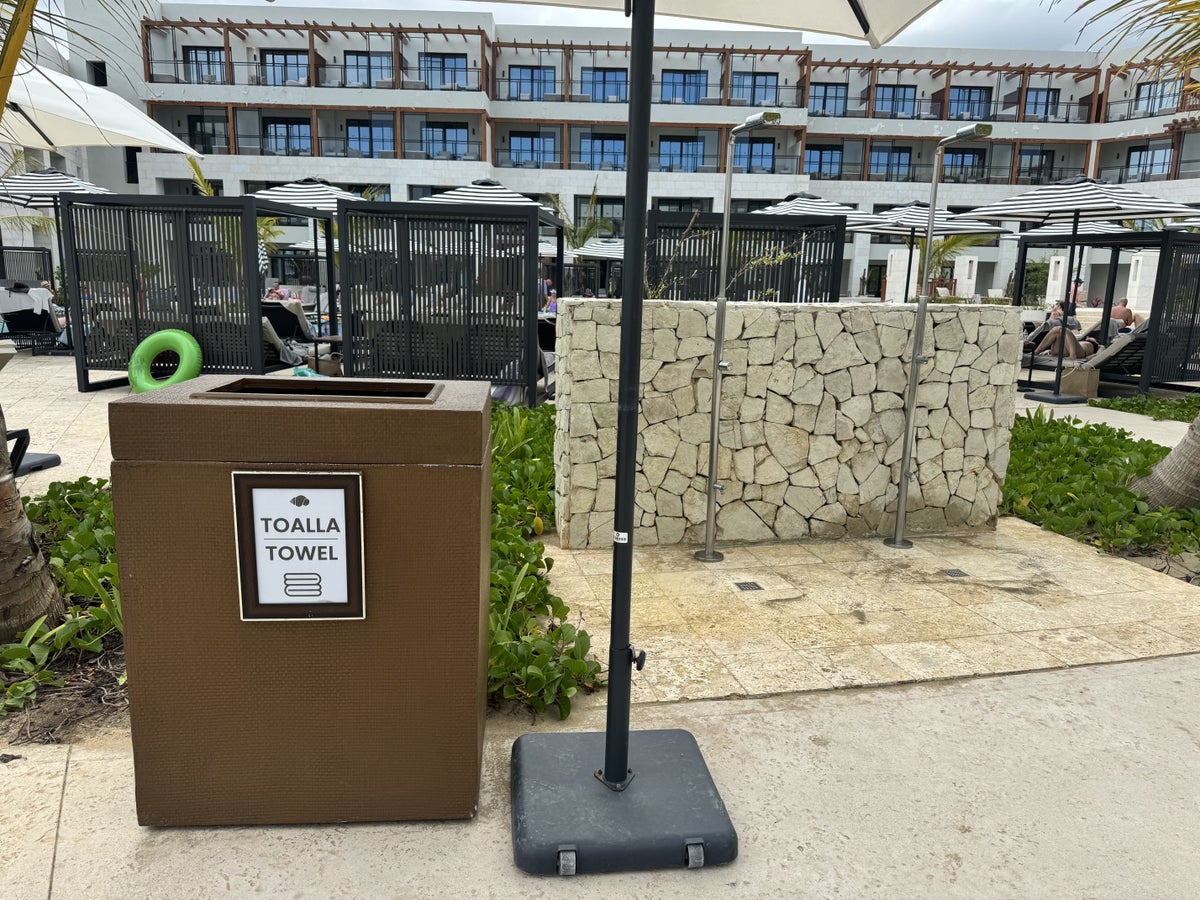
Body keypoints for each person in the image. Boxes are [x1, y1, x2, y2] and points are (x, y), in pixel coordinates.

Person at [1033, 325, 1099, 360]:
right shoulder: (1082, 340)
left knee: (1064, 330)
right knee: (1056, 329)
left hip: (1079, 353)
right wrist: (1049, 351)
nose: (1088, 337)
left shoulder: (1098, 345)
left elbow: (1100, 353)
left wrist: (1092, 356)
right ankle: (1036, 352)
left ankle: (1072, 355)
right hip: (1064, 350)